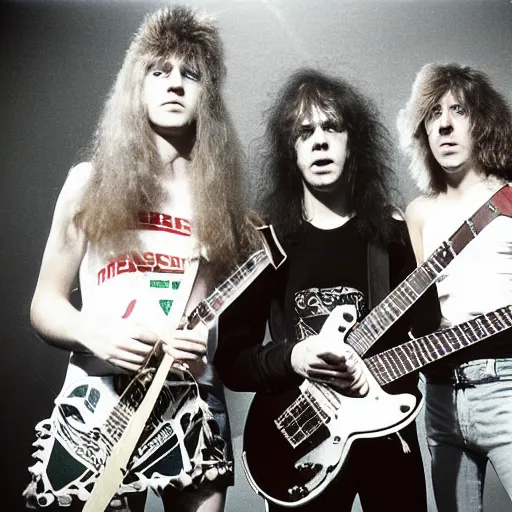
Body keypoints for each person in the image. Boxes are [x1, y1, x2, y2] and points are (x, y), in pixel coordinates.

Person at [23, 6, 259, 512]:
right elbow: (44, 302)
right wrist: (97, 333)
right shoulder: (88, 182)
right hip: (100, 392)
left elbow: (234, 323)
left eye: (191, 75)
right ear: (138, 85)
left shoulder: (224, 206)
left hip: (190, 396)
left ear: (207, 95)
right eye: (160, 71)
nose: (175, 85)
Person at [215, 68, 440, 512]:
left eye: (332, 127)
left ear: (352, 141)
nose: (319, 140)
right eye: (304, 132)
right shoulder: (268, 243)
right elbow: (232, 361)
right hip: (299, 442)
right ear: (290, 150)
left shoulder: (392, 236)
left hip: (387, 437)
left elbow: (431, 334)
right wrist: (295, 356)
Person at [398, 63, 512, 512]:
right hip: (441, 396)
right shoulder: (418, 213)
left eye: (458, 110)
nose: (444, 124)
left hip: (505, 385)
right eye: (432, 114)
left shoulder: (509, 196)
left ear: (481, 120)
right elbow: (423, 314)